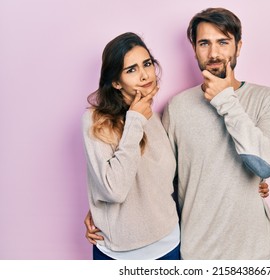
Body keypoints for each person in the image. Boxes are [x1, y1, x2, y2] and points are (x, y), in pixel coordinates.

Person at [161, 7, 270, 259]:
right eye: (204, 43)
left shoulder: (264, 98)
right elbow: (159, 181)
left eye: (223, 42)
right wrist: (107, 211)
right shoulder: (178, 106)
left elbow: (266, 165)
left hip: (253, 253)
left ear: (238, 47)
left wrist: (225, 99)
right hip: (198, 254)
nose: (214, 53)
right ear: (194, 48)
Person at [81, 32, 180, 260]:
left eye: (147, 64)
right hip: (118, 254)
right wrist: (134, 121)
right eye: (131, 69)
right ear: (116, 82)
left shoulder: (154, 117)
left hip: (168, 245)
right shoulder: (95, 120)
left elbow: (162, 181)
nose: (144, 75)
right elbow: (114, 190)